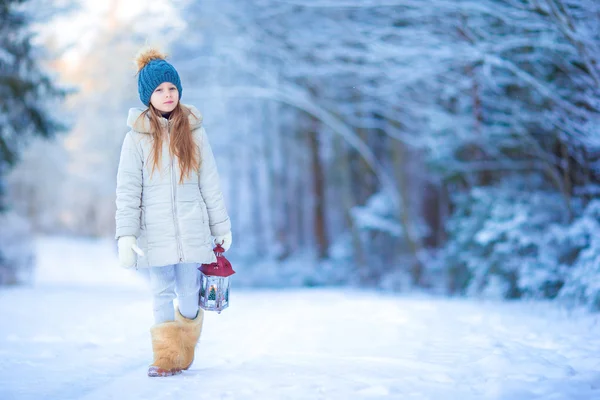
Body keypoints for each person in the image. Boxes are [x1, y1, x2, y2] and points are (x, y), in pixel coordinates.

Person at [115, 48, 232, 377]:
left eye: (172, 88)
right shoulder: (135, 139)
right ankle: (166, 357)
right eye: (159, 90)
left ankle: (184, 347)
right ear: (147, 97)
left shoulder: (194, 133)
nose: (167, 95)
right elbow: (127, 190)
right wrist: (125, 235)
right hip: (156, 231)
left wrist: (221, 226)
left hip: (192, 228)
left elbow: (210, 183)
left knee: (188, 292)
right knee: (160, 290)